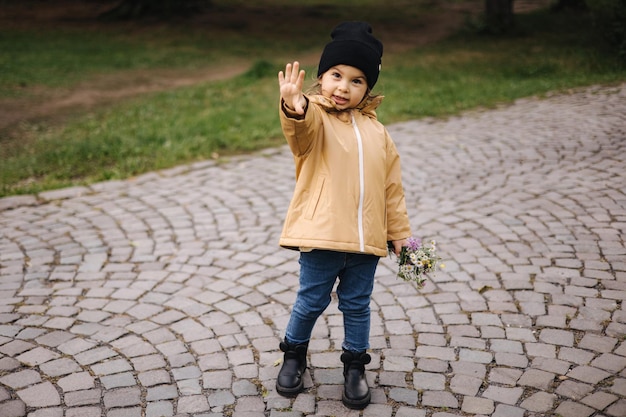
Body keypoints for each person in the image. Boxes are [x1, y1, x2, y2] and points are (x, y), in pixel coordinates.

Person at [275, 21, 412, 410]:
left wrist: (399, 233)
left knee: (357, 305)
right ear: (321, 78)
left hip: (367, 240)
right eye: (336, 76)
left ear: (368, 88)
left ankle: (354, 366)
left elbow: (391, 189)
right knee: (310, 301)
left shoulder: (378, 132)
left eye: (356, 81)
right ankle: (294, 355)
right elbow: (298, 133)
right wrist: (294, 106)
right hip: (323, 236)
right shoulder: (314, 117)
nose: (343, 87)